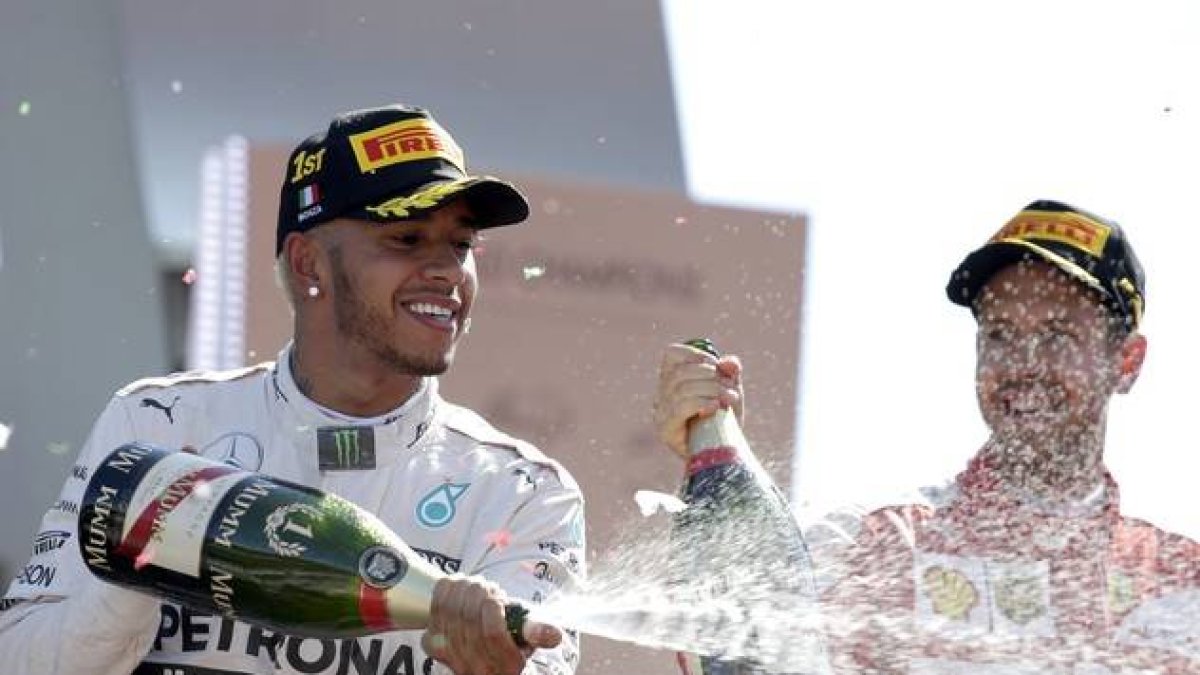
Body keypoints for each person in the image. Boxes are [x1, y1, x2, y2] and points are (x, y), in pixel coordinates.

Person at [0, 104, 586, 675]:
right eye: (407, 239)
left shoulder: (522, 493)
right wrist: (143, 562)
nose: (448, 272)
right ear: (309, 265)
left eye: (460, 245)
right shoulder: (161, 423)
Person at [654, 200, 1200, 673]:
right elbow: (731, 654)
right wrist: (719, 473)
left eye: (1057, 335)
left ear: (1126, 362)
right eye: (1002, 334)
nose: (1023, 365)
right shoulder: (873, 548)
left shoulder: (1182, 582)